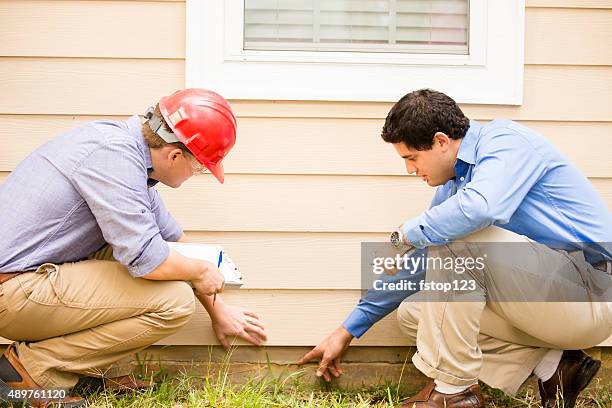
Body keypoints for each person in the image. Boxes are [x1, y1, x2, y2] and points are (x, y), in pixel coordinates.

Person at [299, 89, 612, 408]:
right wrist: (347, 330)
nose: (410, 170)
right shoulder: (454, 187)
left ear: (441, 142)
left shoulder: (505, 142)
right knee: (415, 313)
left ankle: (454, 392)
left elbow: (479, 210)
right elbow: (417, 267)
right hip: (551, 303)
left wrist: (405, 233)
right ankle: (556, 364)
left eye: (411, 158)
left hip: (594, 292)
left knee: (453, 236)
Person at [0, 88, 267, 407]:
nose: (196, 176)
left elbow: (174, 244)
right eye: (199, 169)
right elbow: (149, 260)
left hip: (27, 280)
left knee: (153, 259)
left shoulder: (130, 157)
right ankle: (26, 372)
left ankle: (65, 370)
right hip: (12, 290)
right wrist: (200, 273)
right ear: (175, 155)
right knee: (175, 302)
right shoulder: (114, 159)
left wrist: (217, 309)